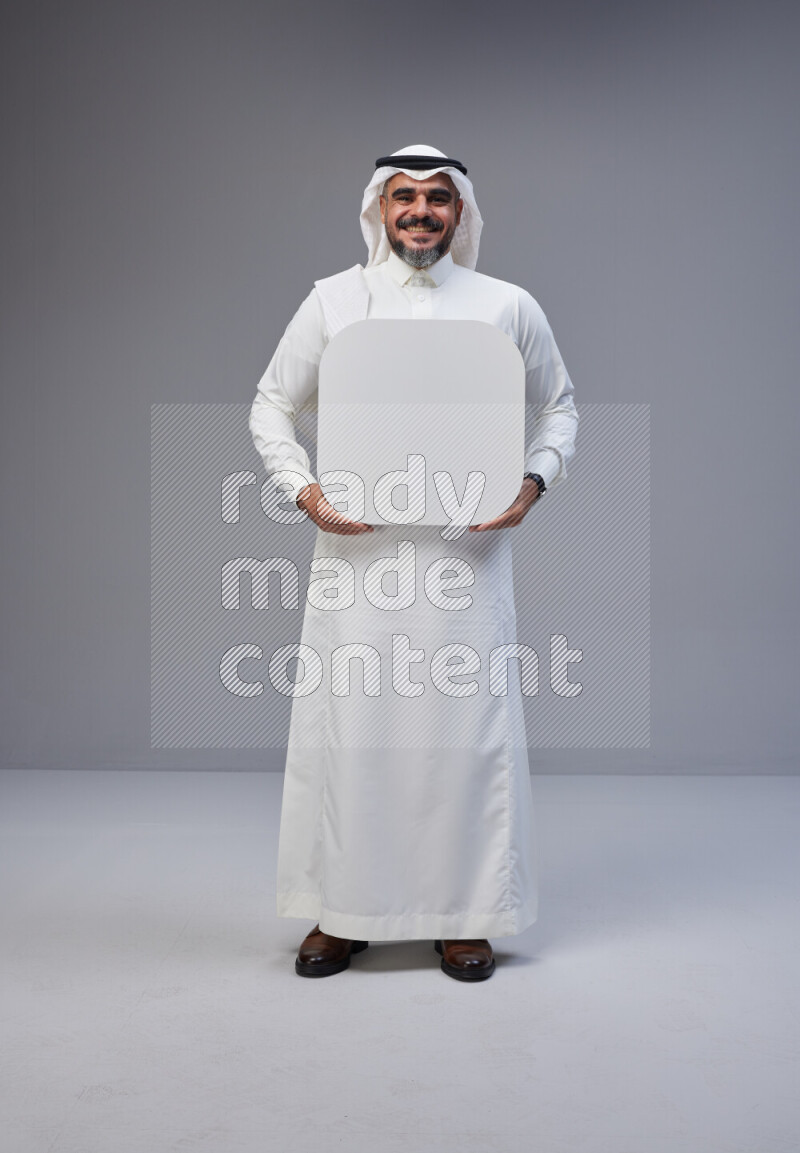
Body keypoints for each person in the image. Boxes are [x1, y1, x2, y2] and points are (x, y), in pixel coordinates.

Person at [249, 144, 578, 981]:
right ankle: (343, 912)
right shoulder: (333, 301)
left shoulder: (507, 305)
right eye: (404, 196)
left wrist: (533, 483)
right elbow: (271, 405)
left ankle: (466, 915)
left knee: (463, 737)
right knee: (353, 734)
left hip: (466, 564)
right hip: (357, 565)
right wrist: (305, 492)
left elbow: (561, 406)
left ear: (461, 211)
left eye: (438, 197)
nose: (421, 211)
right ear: (378, 208)